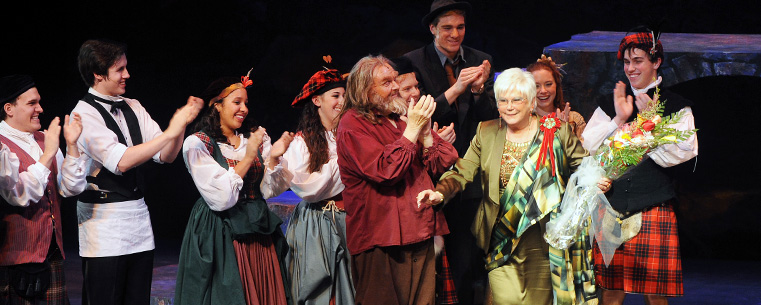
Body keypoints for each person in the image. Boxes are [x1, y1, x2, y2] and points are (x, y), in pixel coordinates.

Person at [418, 68, 605, 305]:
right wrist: (439, 192)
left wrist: (597, 178)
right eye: (503, 100)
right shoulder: (486, 132)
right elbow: (461, 171)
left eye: (517, 99)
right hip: (500, 241)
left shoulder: (557, 132)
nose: (509, 106)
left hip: (544, 242)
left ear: (531, 103)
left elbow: (584, 166)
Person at [72, 39, 203, 305]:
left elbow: (165, 155)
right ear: (98, 74)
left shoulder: (133, 105)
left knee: (137, 298)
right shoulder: (84, 114)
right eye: (119, 69)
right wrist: (171, 130)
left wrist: (180, 128)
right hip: (104, 226)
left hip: (137, 220)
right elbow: (120, 162)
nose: (127, 75)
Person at [581, 28, 698, 305]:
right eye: (626, 62)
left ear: (656, 62)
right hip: (611, 206)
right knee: (609, 292)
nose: (630, 68)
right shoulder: (610, 103)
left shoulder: (675, 106)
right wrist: (618, 120)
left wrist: (652, 125)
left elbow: (683, 152)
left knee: (656, 294)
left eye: (638, 61)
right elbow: (587, 147)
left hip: (652, 205)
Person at [336, 55, 458, 305]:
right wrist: (413, 129)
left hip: (419, 229)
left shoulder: (400, 117)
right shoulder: (353, 123)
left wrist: (424, 134)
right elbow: (384, 170)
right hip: (382, 237)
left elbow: (443, 160)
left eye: (394, 80)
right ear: (365, 90)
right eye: (386, 82)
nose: (394, 87)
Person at [403, 1, 499, 302]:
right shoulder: (413, 62)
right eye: (447, 27)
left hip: (471, 172)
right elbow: (416, 110)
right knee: (435, 262)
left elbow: (489, 116)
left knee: (469, 260)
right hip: (430, 173)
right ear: (433, 29)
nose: (455, 34)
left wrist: (478, 89)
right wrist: (456, 89)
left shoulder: (480, 59)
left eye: (460, 27)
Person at [174, 75, 295, 305]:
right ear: (217, 105)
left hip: (257, 229)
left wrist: (275, 157)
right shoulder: (199, 143)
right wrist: (248, 156)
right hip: (219, 230)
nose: (244, 109)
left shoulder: (255, 138)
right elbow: (221, 198)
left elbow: (269, 189)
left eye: (246, 103)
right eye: (237, 102)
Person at [259, 66, 354, 305]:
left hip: (352, 220)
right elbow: (308, 189)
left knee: (352, 288)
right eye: (335, 95)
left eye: (344, 95)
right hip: (317, 223)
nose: (342, 101)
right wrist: (344, 157)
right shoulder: (302, 143)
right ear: (317, 100)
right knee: (321, 293)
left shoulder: (353, 135)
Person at [0, 75, 86, 304]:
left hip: (51, 255)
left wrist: (72, 144)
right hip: (16, 259)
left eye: (39, 102)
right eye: (31, 103)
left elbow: (70, 189)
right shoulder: (1, 146)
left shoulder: (45, 139)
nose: (40, 108)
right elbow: (18, 195)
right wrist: (48, 154)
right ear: (9, 108)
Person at [526, 55, 587, 141]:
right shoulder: (522, 122)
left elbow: (585, 152)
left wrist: (566, 132)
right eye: (536, 86)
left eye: (548, 84)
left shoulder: (574, 119)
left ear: (556, 85)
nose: (543, 91)